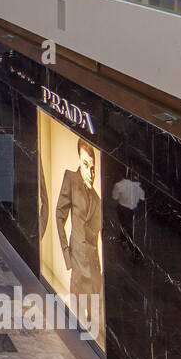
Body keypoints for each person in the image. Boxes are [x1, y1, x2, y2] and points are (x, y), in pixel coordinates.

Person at [55, 139, 102, 340]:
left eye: (92, 167)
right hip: (78, 265)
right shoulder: (71, 179)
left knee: (94, 328)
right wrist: (67, 255)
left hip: (94, 269)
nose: (90, 172)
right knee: (75, 325)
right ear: (79, 161)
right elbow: (59, 215)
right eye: (85, 164)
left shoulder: (98, 200)